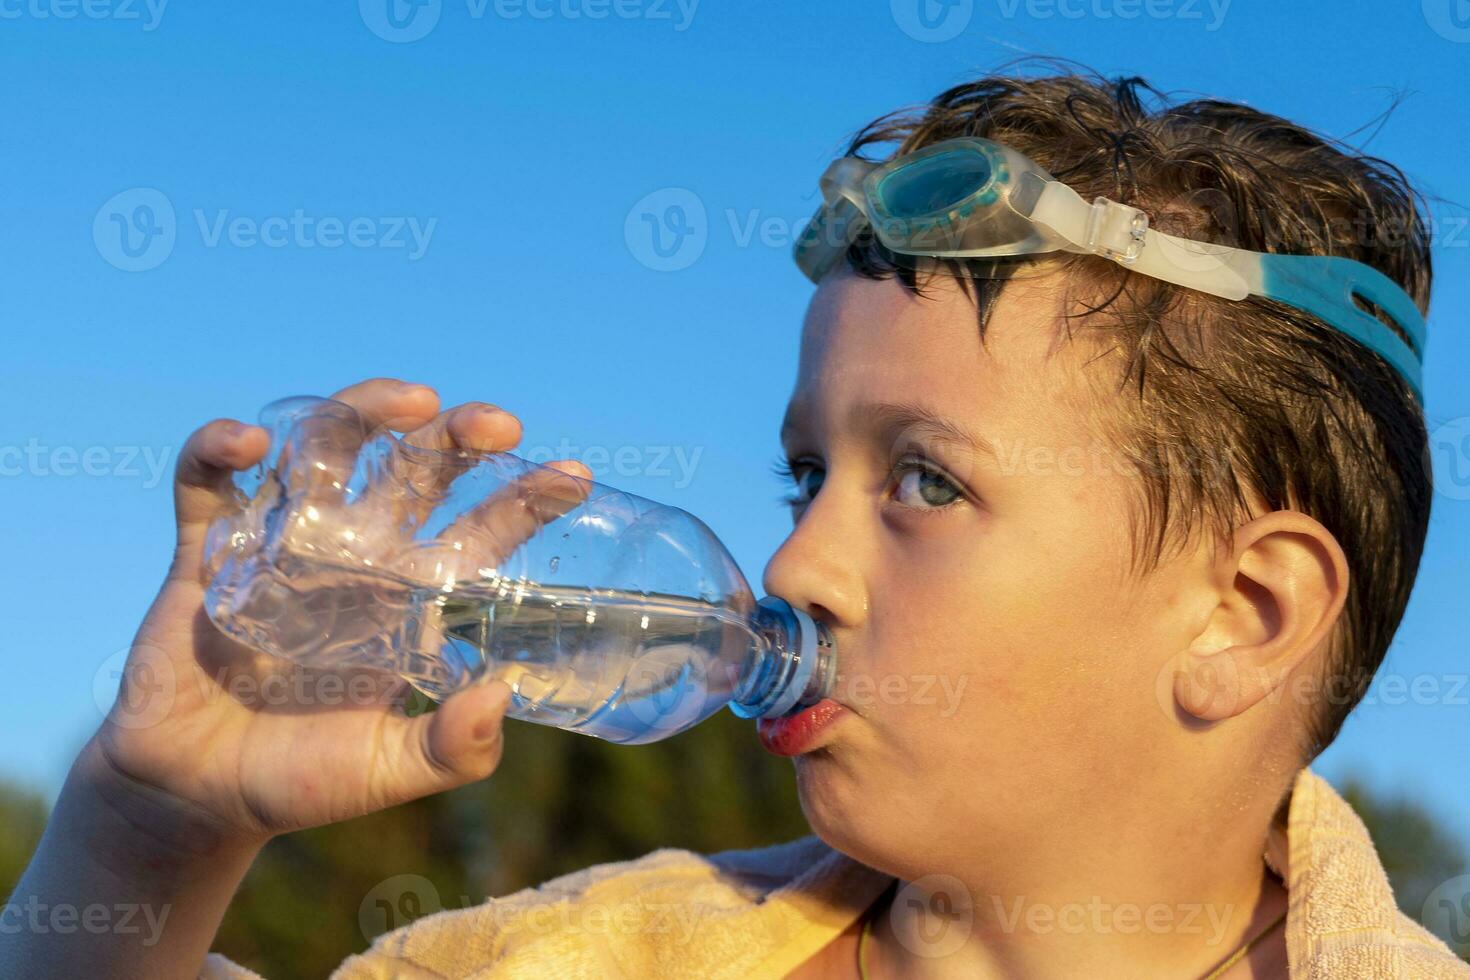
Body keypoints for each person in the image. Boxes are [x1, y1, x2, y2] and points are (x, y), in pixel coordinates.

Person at [4, 68, 1467, 979]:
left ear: (1244, 616)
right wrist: (145, 839)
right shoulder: (557, 961)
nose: (789, 567)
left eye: (925, 483)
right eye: (802, 474)